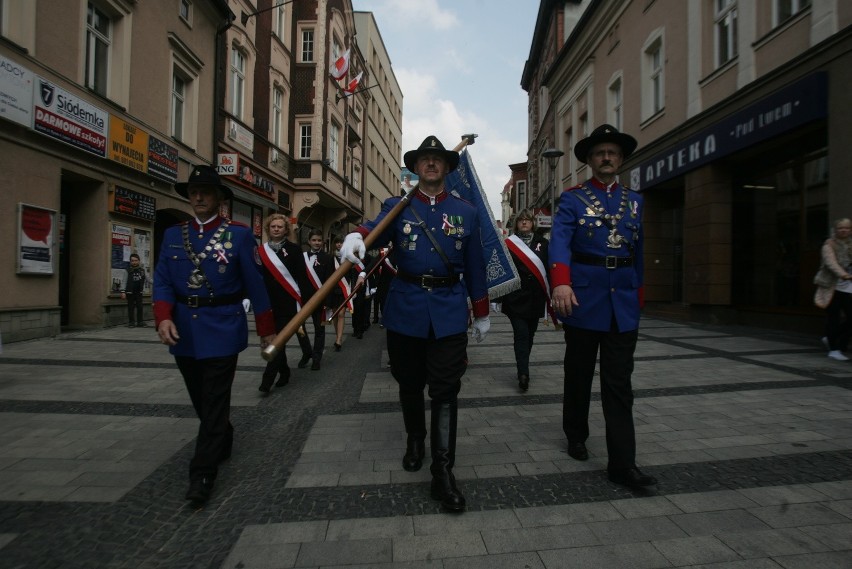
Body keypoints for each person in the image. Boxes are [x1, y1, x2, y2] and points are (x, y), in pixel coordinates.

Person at [340, 135, 491, 513]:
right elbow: (373, 229)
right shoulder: (398, 206)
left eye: (437, 160)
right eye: (424, 159)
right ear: (416, 167)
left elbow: (474, 265)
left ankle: (443, 471)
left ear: (446, 168)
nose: (431, 164)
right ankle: (415, 439)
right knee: (409, 382)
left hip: (449, 309)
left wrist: (482, 310)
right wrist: (355, 237)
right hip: (406, 307)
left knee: (445, 388)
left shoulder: (466, 212)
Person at [153, 165, 275, 505]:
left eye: (205, 191)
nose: (198, 197)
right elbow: (162, 280)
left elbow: (256, 284)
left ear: (220, 198)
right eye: (193, 191)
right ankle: (223, 433)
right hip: (184, 330)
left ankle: (202, 473)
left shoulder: (238, 235)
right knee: (201, 399)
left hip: (223, 325)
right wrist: (162, 317)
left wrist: (266, 330)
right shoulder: (174, 235)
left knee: (215, 398)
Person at [549, 124, 657, 489]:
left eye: (612, 152)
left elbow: (639, 251)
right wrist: (560, 281)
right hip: (584, 298)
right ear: (590, 161)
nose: (606, 158)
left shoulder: (636, 201)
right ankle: (576, 434)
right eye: (599, 153)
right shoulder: (573, 198)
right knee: (578, 375)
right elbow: (560, 242)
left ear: (621, 159)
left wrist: (638, 295)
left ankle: (623, 464)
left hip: (623, 302)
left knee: (619, 384)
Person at [257, 214, 314, 393]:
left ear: (286, 230)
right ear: (268, 229)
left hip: (288, 303)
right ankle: (285, 371)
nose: (276, 229)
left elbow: (302, 277)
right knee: (274, 340)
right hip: (267, 303)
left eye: (280, 226)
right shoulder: (260, 251)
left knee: (278, 341)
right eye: (273, 226)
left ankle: (267, 380)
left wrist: (304, 303)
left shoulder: (295, 249)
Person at [496, 210, 550, 392]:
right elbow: (501, 271)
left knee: (530, 334)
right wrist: (498, 298)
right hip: (515, 299)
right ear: (516, 223)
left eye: (528, 220)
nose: (525, 223)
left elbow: (549, 270)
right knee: (521, 333)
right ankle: (523, 373)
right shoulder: (508, 244)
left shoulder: (543, 244)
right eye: (521, 220)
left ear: (533, 223)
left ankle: (523, 364)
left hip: (536, 298)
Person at [814, 218, 852, 360]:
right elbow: (831, 263)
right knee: (833, 317)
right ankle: (834, 349)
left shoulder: (850, 244)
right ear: (835, 230)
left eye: (847, 228)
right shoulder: (829, 245)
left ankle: (832, 337)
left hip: (848, 288)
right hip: (831, 286)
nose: (844, 230)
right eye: (841, 228)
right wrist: (844, 275)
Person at [302, 228, 337, 370]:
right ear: (309, 241)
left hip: (320, 300)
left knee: (319, 330)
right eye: (314, 240)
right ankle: (306, 352)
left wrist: (328, 302)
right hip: (304, 299)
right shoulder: (302, 257)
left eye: (319, 240)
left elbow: (331, 281)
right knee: (299, 328)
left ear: (323, 242)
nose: (316, 243)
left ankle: (317, 358)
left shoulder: (328, 258)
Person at [329, 236, 349, 351]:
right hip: (333, 290)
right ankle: (337, 335)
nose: (339, 244)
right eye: (337, 242)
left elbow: (351, 274)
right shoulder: (330, 258)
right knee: (335, 314)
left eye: (341, 242)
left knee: (341, 314)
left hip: (343, 290)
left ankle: (339, 339)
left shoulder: (348, 257)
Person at [120, 253, 146, 327]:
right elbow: (124, 281)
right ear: (130, 262)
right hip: (130, 292)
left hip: (139, 292)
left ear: (139, 261)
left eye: (136, 260)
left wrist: (158, 282)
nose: (134, 262)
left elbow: (148, 279)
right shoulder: (128, 270)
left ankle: (140, 322)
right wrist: (123, 291)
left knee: (140, 307)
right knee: (130, 307)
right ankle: (131, 322)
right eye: (132, 261)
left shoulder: (142, 270)